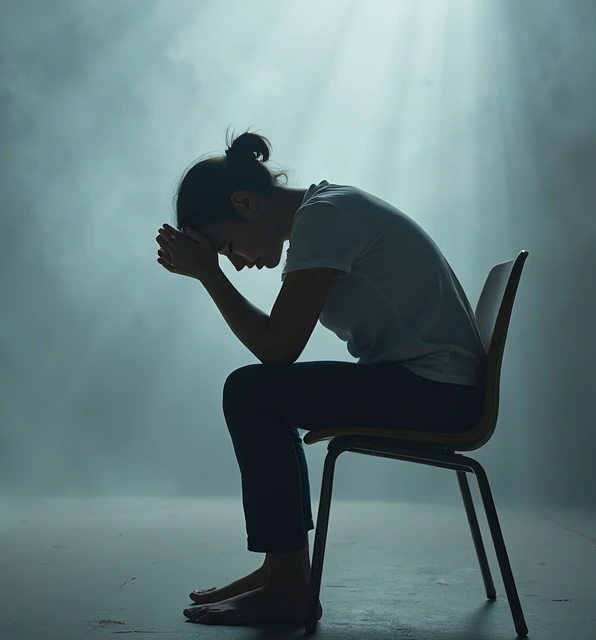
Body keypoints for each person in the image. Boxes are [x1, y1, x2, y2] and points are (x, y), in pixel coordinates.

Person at [155, 130, 486, 626]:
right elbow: (278, 346)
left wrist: (209, 275)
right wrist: (212, 268)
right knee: (260, 393)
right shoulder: (327, 210)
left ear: (245, 202)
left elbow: (277, 348)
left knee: (250, 392)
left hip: (438, 394)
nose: (238, 263)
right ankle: (281, 571)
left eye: (227, 246)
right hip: (433, 387)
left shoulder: (325, 217)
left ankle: (289, 586)